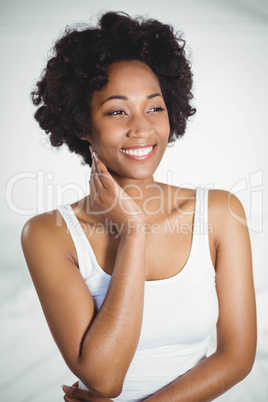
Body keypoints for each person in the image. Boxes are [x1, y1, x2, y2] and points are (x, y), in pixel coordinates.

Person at [21, 11, 257, 402]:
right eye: (117, 110)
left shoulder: (219, 212)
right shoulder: (48, 234)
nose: (142, 128)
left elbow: (237, 357)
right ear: (83, 123)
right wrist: (133, 232)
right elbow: (104, 378)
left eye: (155, 107)